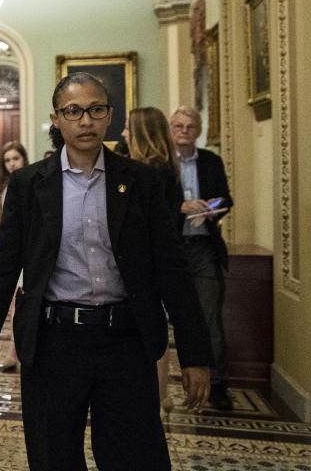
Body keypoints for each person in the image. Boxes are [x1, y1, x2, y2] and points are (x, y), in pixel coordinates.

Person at [0, 72, 212, 471]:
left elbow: (172, 271)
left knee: (136, 456)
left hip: (125, 342)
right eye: (74, 111)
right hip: (53, 344)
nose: (85, 121)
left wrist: (195, 356)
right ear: (56, 119)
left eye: (96, 110)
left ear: (109, 116)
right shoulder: (30, 184)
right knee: (53, 456)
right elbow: (2, 266)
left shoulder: (142, 182)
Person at [169, 106, 235, 411]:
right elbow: (154, 203)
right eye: (179, 125)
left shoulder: (211, 161)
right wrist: (182, 206)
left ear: (198, 131)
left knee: (210, 318)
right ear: (170, 129)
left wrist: (212, 205)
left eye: (190, 126)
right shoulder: (162, 163)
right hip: (170, 245)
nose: (184, 130)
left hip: (203, 246)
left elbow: (226, 198)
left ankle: (217, 383)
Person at [123, 106, 184, 413]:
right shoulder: (166, 167)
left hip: (148, 260)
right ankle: (162, 394)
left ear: (141, 134)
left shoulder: (149, 173)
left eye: (127, 129)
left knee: (152, 330)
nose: (122, 134)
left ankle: (159, 396)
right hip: (158, 257)